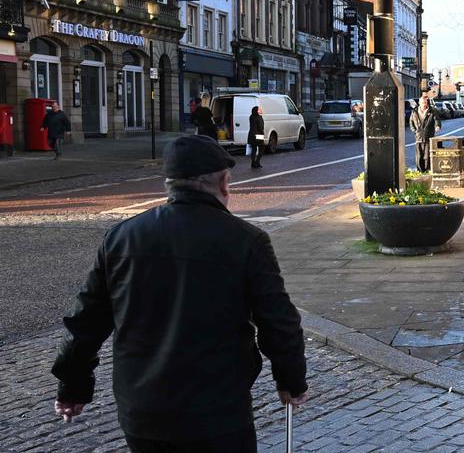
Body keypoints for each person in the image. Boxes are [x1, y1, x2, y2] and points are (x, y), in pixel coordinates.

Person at [51, 134, 308, 452]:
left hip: (143, 410)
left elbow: (87, 320)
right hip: (219, 411)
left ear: (170, 185)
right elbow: (278, 322)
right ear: (225, 184)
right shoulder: (246, 241)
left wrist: (72, 386)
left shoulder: (122, 237)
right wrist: (290, 381)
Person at [410, 94, 441, 172]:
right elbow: (411, 122)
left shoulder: (432, 111)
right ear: (419, 103)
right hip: (418, 136)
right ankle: (420, 171)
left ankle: (427, 170)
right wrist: (414, 130)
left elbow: (437, 120)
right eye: (423, 102)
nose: (425, 104)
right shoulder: (414, 112)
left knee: (427, 156)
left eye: (426, 102)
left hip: (428, 136)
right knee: (419, 156)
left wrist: (437, 126)